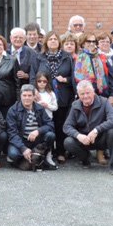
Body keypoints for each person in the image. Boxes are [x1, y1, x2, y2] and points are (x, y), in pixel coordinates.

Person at [30, 31, 74, 164]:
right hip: (43, 96)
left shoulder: (67, 57)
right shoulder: (39, 57)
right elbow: (33, 76)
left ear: (59, 42)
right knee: (45, 124)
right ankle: (45, 151)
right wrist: (34, 90)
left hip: (63, 96)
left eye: (55, 39)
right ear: (46, 42)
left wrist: (65, 79)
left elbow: (74, 77)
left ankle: (60, 151)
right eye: (50, 39)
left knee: (60, 124)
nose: (53, 41)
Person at [64, 80, 113, 175]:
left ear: (93, 92)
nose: (85, 96)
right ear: (78, 94)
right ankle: (86, 159)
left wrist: (96, 130)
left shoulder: (104, 102)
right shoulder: (75, 105)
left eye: (88, 93)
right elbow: (67, 126)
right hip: (84, 140)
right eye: (82, 94)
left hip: (101, 138)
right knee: (68, 142)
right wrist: (78, 136)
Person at [6, 84, 55, 170]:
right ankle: (28, 157)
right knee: (14, 154)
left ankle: (45, 156)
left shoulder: (40, 108)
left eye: (29, 95)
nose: (27, 98)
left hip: (36, 140)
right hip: (21, 140)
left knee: (50, 135)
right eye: (24, 95)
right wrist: (23, 148)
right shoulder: (13, 110)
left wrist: (38, 131)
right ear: (20, 96)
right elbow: (12, 133)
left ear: (33, 97)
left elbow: (50, 124)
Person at [73, 31, 113, 105]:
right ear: (83, 43)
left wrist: (112, 95)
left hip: (103, 97)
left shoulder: (102, 57)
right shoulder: (77, 59)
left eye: (94, 41)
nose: (92, 44)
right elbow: (74, 81)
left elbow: (111, 77)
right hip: (85, 98)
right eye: (88, 41)